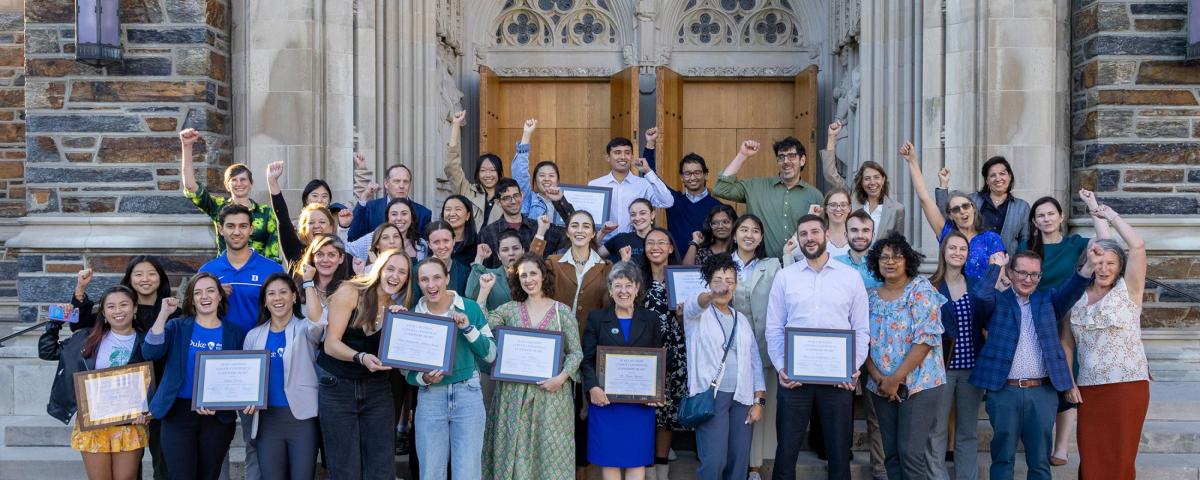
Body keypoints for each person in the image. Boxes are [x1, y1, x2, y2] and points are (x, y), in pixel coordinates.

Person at [969, 250, 1094, 480]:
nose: (1028, 279)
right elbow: (979, 296)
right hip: (1005, 391)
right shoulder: (997, 300)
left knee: (1039, 461)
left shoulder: (1049, 301)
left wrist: (1088, 267)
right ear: (1010, 272)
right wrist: (995, 267)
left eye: (1034, 275)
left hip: (1042, 393)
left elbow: (1073, 290)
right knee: (1003, 457)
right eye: (1022, 273)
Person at [765, 214, 869, 480]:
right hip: (794, 378)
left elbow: (860, 329)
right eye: (803, 234)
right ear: (798, 240)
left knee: (838, 454)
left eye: (814, 232)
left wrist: (852, 368)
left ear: (826, 234)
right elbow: (774, 328)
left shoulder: (850, 277)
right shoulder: (785, 277)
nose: (809, 238)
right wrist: (781, 367)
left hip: (838, 380)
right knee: (786, 451)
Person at [66, 258, 176, 480]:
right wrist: (80, 290)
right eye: (138, 274)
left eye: (151, 273)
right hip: (107, 410)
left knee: (161, 466)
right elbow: (78, 327)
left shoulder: (172, 312)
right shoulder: (106, 325)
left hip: (156, 401)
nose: (145, 279)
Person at [1025, 190, 1110, 467]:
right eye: (1040, 215)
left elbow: (1106, 242)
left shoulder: (1074, 244)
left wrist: (1093, 206)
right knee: (1040, 375)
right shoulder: (1028, 248)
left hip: (1069, 315)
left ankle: (1061, 446)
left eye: (1051, 213)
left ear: (1061, 217)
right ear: (1035, 222)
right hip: (1037, 316)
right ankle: (1039, 438)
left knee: (1067, 373)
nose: (1046, 218)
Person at [1065, 205, 1149, 480]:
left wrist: (1109, 215)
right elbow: (1066, 343)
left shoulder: (1129, 290)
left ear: (1120, 267)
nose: (1104, 268)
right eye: (1099, 262)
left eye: (1111, 263)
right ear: (1088, 264)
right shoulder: (1074, 297)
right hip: (1089, 389)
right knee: (1091, 458)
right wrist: (1069, 382)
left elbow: (1136, 247)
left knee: (1121, 458)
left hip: (1127, 386)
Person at [482, 253, 582, 479]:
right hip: (513, 395)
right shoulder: (509, 309)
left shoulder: (561, 311)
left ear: (543, 275)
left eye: (533, 273)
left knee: (548, 457)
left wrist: (561, 378)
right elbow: (483, 325)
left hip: (551, 396)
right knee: (514, 454)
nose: (528, 279)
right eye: (523, 275)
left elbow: (576, 352)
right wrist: (484, 292)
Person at [531, 209, 613, 477]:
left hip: (588, 351)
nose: (580, 230)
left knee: (583, 418)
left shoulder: (605, 268)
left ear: (592, 232)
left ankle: (581, 474)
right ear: (567, 231)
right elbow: (529, 264)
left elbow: (609, 309)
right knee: (555, 417)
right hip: (556, 349)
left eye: (586, 226)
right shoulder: (554, 262)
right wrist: (541, 233)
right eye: (574, 225)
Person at [142, 273, 247, 480]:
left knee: (209, 475)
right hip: (177, 413)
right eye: (197, 292)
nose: (204, 296)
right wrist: (164, 314)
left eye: (210, 291)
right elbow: (150, 352)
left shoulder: (234, 332)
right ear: (191, 299)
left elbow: (239, 374)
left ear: (219, 296)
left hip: (216, 416)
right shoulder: (177, 327)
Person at [317, 250, 410, 479]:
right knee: (344, 468)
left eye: (402, 272)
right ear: (379, 269)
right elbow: (331, 345)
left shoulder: (397, 311)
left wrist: (401, 326)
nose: (395, 276)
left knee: (381, 467)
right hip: (338, 387)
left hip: (377, 390)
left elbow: (400, 356)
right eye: (390, 269)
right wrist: (361, 357)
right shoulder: (351, 291)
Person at [40, 286, 149, 480]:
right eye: (111, 306)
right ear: (104, 312)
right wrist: (55, 322)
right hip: (93, 420)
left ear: (134, 308)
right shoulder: (87, 338)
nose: (118, 311)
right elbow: (48, 351)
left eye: (124, 304)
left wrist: (149, 408)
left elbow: (155, 378)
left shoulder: (147, 341)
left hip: (129, 422)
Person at [862, 233, 947, 479]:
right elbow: (861, 341)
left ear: (907, 260)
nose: (890, 262)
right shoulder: (870, 297)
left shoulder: (921, 290)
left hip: (919, 384)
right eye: (884, 257)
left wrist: (895, 378)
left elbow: (925, 340)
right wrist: (878, 377)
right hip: (880, 385)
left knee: (910, 454)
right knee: (891, 455)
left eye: (897, 257)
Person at [408, 257, 497, 480]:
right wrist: (425, 378)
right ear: (418, 283)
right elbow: (406, 371)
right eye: (424, 279)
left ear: (447, 278)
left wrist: (468, 328)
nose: (431, 285)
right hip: (430, 398)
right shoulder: (413, 315)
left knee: (467, 472)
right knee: (430, 472)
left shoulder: (470, 307)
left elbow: (490, 354)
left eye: (437, 277)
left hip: (468, 393)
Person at [683, 253, 767, 480]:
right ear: (708, 283)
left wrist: (758, 400)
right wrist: (712, 295)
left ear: (736, 284)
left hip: (742, 398)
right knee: (713, 460)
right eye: (718, 280)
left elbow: (755, 362)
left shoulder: (741, 319)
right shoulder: (696, 315)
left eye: (729, 280)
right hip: (712, 397)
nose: (724, 286)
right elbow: (695, 304)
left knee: (739, 460)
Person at [581, 261, 665, 480]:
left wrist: (655, 392)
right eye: (617, 285)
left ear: (637, 288)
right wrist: (593, 388)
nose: (623, 291)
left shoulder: (651, 319)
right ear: (610, 289)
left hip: (640, 406)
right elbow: (586, 360)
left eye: (628, 285)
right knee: (610, 459)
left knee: (636, 459)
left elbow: (659, 360)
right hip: (605, 402)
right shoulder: (597, 319)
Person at [244, 273, 323, 480]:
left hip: (301, 419)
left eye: (283, 292)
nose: (277, 298)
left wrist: (307, 282)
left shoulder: (305, 328)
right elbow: (246, 379)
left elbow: (319, 324)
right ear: (264, 301)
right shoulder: (253, 336)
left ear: (294, 297)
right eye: (271, 294)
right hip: (267, 422)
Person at [925, 231, 988, 480]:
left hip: (971, 369)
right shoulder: (930, 285)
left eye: (962, 249)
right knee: (937, 429)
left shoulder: (976, 285)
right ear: (943, 251)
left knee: (967, 431)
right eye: (953, 248)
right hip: (940, 368)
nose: (957, 253)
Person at [831, 210, 886, 479]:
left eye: (865, 231)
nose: (860, 236)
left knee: (876, 414)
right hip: (842, 348)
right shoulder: (834, 264)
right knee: (840, 411)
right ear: (846, 233)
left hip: (877, 350)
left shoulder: (884, 265)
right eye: (854, 230)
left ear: (873, 235)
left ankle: (880, 469)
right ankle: (840, 463)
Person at [726, 215, 783, 480]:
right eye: (744, 229)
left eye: (756, 231)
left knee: (760, 406)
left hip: (762, 346)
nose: (749, 235)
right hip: (728, 350)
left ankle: (755, 466)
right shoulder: (722, 265)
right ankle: (730, 460)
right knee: (730, 404)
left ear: (761, 237)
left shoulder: (772, 266)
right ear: (735, 234)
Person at [629, 227, 687, 479]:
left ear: (671, 248)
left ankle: (661, 468)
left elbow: (693, 323)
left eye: (662, 242)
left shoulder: (682, 278)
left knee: (666, 413)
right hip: (643, 355)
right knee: (645, 412)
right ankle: (646, 467)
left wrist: (683, 318)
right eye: (650, 242)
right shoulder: (636, 279)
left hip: (674, 353)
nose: (656, 247)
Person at [902, 141, 1005, 279]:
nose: (962, 211)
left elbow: (1000, 279)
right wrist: (912, 161)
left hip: (982, 298)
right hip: (951, 295)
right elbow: (924, 199)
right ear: (950, 215)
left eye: (966, 206)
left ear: (973, 208)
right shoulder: (946, 233)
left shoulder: (992, 239)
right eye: (956, 209)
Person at [178, 128, 282, 263]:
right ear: (227, 185)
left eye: (243, 179)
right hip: (225, 274)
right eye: (234, 180)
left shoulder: (266, 213)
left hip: (257, 276)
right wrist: (187, 146)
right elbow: (191, 186)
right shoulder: (218, 207)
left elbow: (273, 254)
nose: (239, 184)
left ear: (251, 183)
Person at [713, 139, 824, 258]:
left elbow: (820, 235)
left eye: (791, 156)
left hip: (800, 268)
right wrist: (742, 155)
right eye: (781, 157)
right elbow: (721, 188)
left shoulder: (814, 195)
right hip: (761, 268)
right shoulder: (756, 187)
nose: (786, 161)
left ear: (802, 160)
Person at [198, 204, 285, 337]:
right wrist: (213, 293)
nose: (237, 232)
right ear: (221, 229)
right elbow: (194, 312)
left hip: (261, 348)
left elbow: (286, 312)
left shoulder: (273, 270)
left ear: (251, 229)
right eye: (230, 226)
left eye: (243, 226)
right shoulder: (208, 271)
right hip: (220, 348)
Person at [640, 127, 726, 250]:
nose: (692, 177)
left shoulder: (718, 207)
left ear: (706, 175)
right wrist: (650, 143)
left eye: (697, 172)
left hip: (707, 266)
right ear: (681, 177)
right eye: (687, 173)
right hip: (676, 266)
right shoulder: (673, 200)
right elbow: (652, 177)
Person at [821, 121, 905, 235]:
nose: (872, 182)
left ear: (883, 179)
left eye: (876, 177)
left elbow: (898, 244)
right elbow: (830, 174)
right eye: (867, 178)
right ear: (861, 182)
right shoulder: (851, 198)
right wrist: (831, 137)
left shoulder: (897, 209)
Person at [935, 156, 1031, 254]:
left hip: (1005, 265)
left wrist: (1018, 266)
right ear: (987, 180)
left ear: (1010, 176)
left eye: (1002, 174)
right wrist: (943, 183)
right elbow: (946, 215)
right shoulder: (971, 201)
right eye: (993, 175)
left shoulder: (1022, 207)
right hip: (971, 263)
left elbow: (1024, 241)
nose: (998, 178)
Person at [588, 136, 674, 242]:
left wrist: (648, 171)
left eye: (627, 153)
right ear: (608, 157)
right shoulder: (595, 185)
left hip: (635, 246)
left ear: (632, 157)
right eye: (617, 152)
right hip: (604, 246)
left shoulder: (643, 184)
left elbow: (668, 202)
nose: (623, 157)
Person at [477, 177, 568, 267]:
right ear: (498, 203)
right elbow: (484, 271)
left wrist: (560, 201)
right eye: (506, 198)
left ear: (522, 195)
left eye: (516, 195)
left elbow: (574, 231)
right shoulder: (487, 234)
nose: (513, 201)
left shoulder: (540, 227)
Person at [510, 119, 577, 226]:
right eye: (541, 175)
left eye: (551, 175)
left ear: (558, 180)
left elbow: (576, 223)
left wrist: (561, 201)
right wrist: (526, 134)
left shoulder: (565, 200)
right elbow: (520, 173)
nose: (546, 179)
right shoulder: (528, 198)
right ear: (535, 181)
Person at [348, 161, 433, 242]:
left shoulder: (423, 214)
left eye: (406, 182)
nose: (401, 186)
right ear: (386, 184)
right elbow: (353, 236)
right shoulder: (370, 208)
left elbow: (426, 248)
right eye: (397, 181)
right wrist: (364, 197)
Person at [447, 110, 503, 227]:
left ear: (499, 173)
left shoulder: (506, 197)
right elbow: (452, 166)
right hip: (471, 244)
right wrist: (456, 125)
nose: (488, 175)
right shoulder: (467, 191)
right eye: (483, 171)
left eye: (492, 170)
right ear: (477, 174)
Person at [294, 234, 354, 322]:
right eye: (320, 254)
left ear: (341, 258)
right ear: (312, 257)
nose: (325, 260)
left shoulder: (347, 291)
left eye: (331, 255)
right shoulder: (297, 286)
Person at [347, 197, 427, 262]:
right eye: (394, 214)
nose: (399, 218)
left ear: (411, 217)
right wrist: (343, 228)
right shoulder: (373, 238)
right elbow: (345, 248)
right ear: (387, 218)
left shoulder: (421, 245)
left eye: (404, 213)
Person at [466, 231, 523, 311]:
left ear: (523, 251)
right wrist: (479, 258)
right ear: (499, 255)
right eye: (505, 250)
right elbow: (470, 294)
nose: (511, 253)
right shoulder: (489, 275)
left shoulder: (531, 276)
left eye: (516, 248)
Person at [601, 198, 656, 264]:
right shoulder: (621, 238)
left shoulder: (661, 239)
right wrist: (602, 232)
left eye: (642, 213)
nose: (637, 218)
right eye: (633, 214)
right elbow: (593, 256)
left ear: (652, 215)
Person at [424, 220, 471, 295]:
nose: (442, 246)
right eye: (436, 242)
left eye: (446, 241)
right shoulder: (418, 270)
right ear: (429, 244)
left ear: (454, 241)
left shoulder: (464, 271)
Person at [442, 194, 480, 267]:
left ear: (468, 215)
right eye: (448, 209)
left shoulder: (477, 243)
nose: (452, 214)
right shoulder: (436, 241)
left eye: (458, 209)